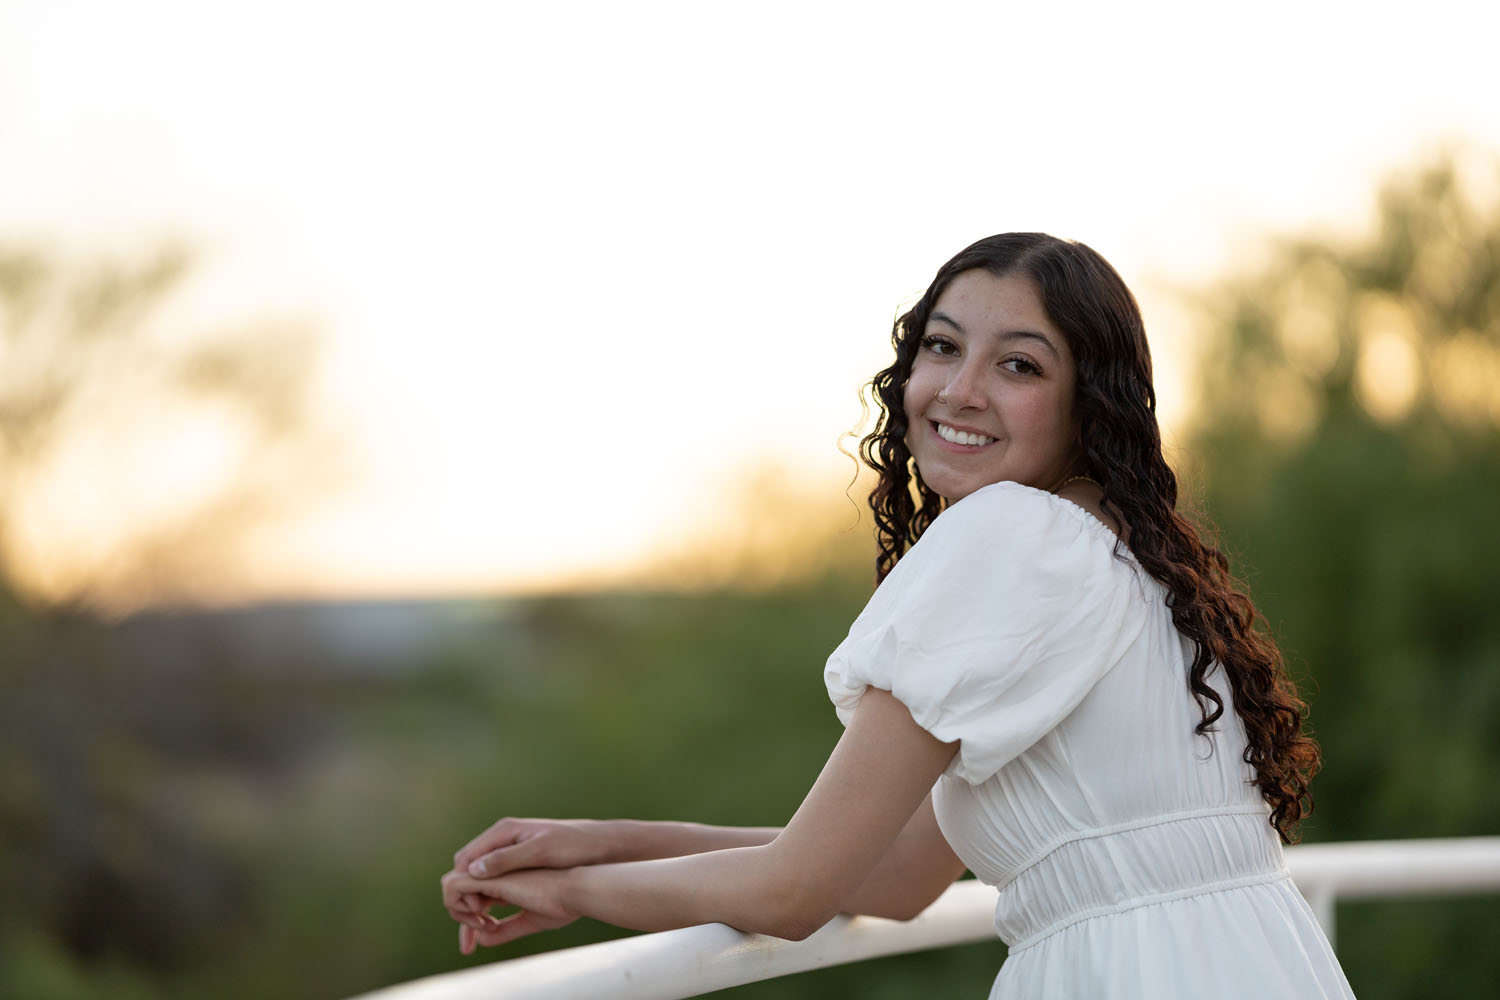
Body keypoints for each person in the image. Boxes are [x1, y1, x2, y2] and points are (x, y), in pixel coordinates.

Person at [441, 233, 1355, 997]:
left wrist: (576, 891)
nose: (961, 390)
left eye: (1019, 365)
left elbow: (796, 891)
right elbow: (897, 872)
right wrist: (604, 846)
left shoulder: (1015, 536)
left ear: (1088, 405)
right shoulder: (1109, 548)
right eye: (943, 347)